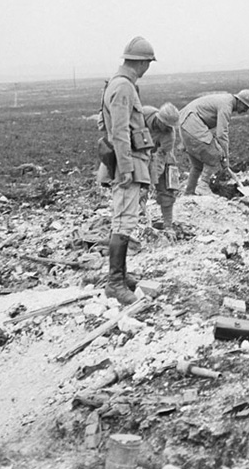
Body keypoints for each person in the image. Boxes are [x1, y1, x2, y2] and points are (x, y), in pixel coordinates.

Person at [97, 36, 157, 305]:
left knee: (126, 219)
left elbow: (103, 124)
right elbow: (119, 131)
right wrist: (126, 168)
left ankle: (120, 276)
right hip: (128, 163)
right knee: (123, 220)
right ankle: (115, 283)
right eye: (147, 64)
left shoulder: (116, 84)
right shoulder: (123, 88)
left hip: (129, 160)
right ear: (142, 63)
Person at [178, 89, 249, 195]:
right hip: (191, 123)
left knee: (197, 165)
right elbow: (222, 133)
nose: (245, 111)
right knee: (215, 154)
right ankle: (203, 186)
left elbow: (214, 131)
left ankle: (189, 192)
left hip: (185, 124)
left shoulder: (225, 100)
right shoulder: (226, 105)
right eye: (246, 107)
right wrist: (225, 157)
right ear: (240, 102)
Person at [141, 103, 181, 230]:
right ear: (159, 119)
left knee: (167, 191)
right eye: (166, 125)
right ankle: (134, 222)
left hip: (163, 158)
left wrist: (152, 181)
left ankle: (168, 225)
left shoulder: (169, 135)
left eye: (171, 127)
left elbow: (159, 161)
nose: (169, 129)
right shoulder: (144, 113)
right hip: (139, 154)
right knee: (136, 190)